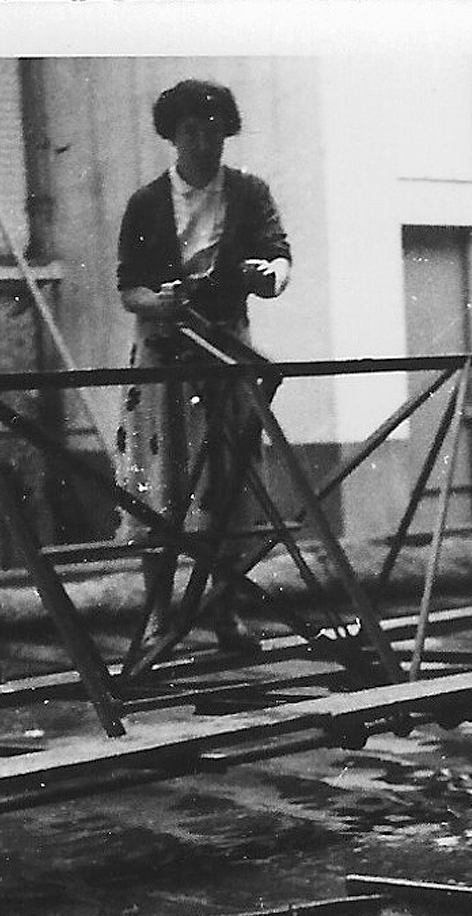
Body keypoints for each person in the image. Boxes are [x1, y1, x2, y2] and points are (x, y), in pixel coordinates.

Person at [115, 78, 292, 653]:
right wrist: (158, 303)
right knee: (160, 487)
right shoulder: (146, 202)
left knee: (229, 480)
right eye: (190, 130)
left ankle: (224, 611)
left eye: (212, 129)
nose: (201, 141)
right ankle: (157, 615)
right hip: (163, 357)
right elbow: (129, 288)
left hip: (225, 351)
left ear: (225, 132)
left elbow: (279, 255)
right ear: (173, 136)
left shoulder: (248, 193)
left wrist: (269, 276)